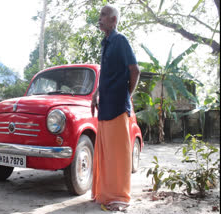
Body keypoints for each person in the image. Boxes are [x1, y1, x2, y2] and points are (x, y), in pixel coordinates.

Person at [91, 4, 140, 212]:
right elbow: (105, 74)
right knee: (106, 154)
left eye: (104, 15)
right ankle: (106, 194)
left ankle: (120, 197)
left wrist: (126, 95)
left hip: (118, 107)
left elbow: (135, 70)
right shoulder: (106, 43)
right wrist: (96, 94)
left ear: (113, 20)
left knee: (119, 155)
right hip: (105, 106)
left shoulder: (120, 40)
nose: (99, 18)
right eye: (100, 14)